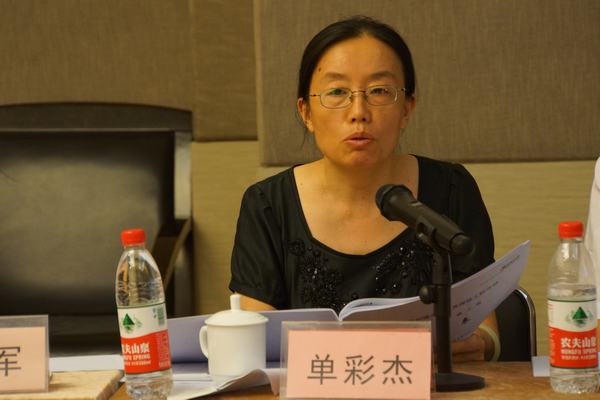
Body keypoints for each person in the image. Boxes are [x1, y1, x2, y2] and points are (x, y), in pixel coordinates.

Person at [229, 16, 499, 362]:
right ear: (306, 112)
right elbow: (254, 342)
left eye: (379, 91)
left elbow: (486, 331)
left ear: (407, 109)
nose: (359, 112)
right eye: (337, 92)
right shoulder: (267, 205)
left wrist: (476, 344)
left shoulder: (451, 189)